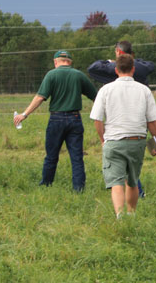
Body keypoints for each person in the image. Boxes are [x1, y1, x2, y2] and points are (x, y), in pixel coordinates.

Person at [14, 50, 98, 192]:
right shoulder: (79, 75)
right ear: (70, 62)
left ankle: (46, 185)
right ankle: (79, 189)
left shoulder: (51, 75)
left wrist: (25, 114)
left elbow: (40, 97)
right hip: (75, 118)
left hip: (56, 119)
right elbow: (96, 97)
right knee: (77, 157)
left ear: (55, 62)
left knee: (51, 156)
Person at [90, 55, 156, 218]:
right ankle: (132, 214)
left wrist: (103, 140)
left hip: (114, 141)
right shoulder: (144, 90)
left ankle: (120, 217)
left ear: (116, 70)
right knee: (133, 181)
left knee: (116, 183)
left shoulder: (105, 90)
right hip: (137, 141)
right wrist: (155, 145)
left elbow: (98, 120)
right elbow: (152, 122)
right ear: (133, 69)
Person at [87, 40, 155, 86]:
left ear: (118, 52)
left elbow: (92, 68)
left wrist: (109, 61)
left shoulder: (113, 67)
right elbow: (150, 65)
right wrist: (133, 60)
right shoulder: (142, 67)